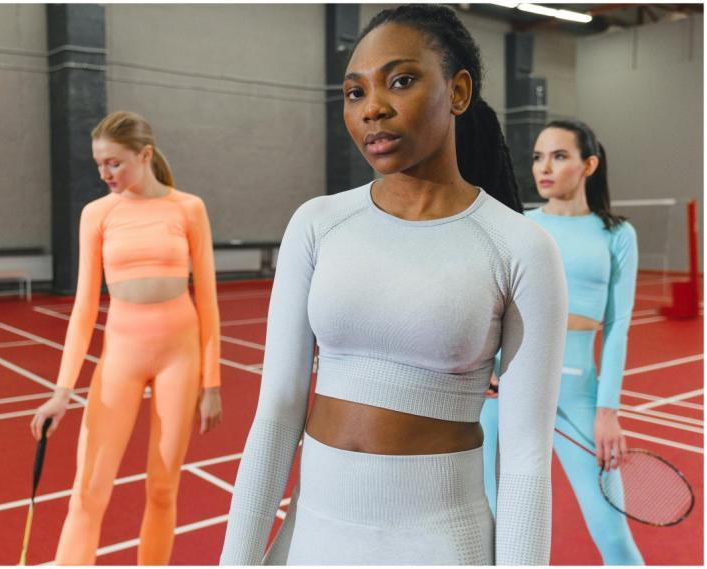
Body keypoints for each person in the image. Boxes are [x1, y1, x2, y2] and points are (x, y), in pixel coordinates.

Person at [220, 5, 567, 565]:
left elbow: (526, 459)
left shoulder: (520, 247)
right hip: (312, 540)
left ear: (458, 92)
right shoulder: (317, 223)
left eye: (401, 81)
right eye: (354, 92)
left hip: (440, 544)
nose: (372, 108)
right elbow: (277, 414)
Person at [29, 111, 223, 565]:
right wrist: (62, 391)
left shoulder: (188, 208)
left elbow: (208, 300)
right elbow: (83, 308)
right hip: (121, 357)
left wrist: (211, 383)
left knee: (163, 489)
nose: (105, 173)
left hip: (179, 359)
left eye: (114, 163)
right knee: (88, 491)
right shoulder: (97, 214)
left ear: (145, 155)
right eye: (99, 164)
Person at [480, 119, 643, 564]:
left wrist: (608, 410)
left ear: (589, 164)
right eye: (538, 157)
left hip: (578, 395)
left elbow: (618, 325)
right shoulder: (519, 226)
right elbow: (490, 305)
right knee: (491, 530)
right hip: (506, 391)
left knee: (613, 533)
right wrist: (485, 368)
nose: (544, 167)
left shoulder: (617, 235)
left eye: (559, 156)